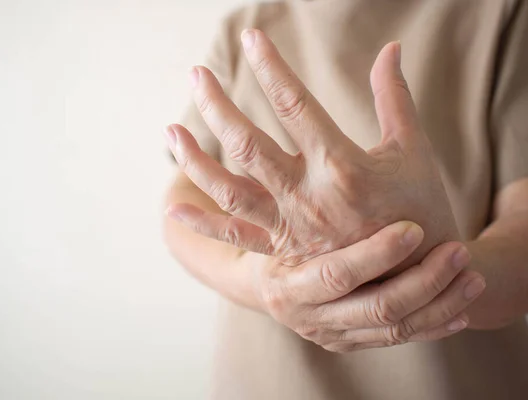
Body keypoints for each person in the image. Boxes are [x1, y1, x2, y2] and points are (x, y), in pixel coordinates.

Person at [163, 0, 528, 399]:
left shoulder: (501, 14)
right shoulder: (248, 27)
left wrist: (434, 272)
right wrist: (258, 282)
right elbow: (186, 204)